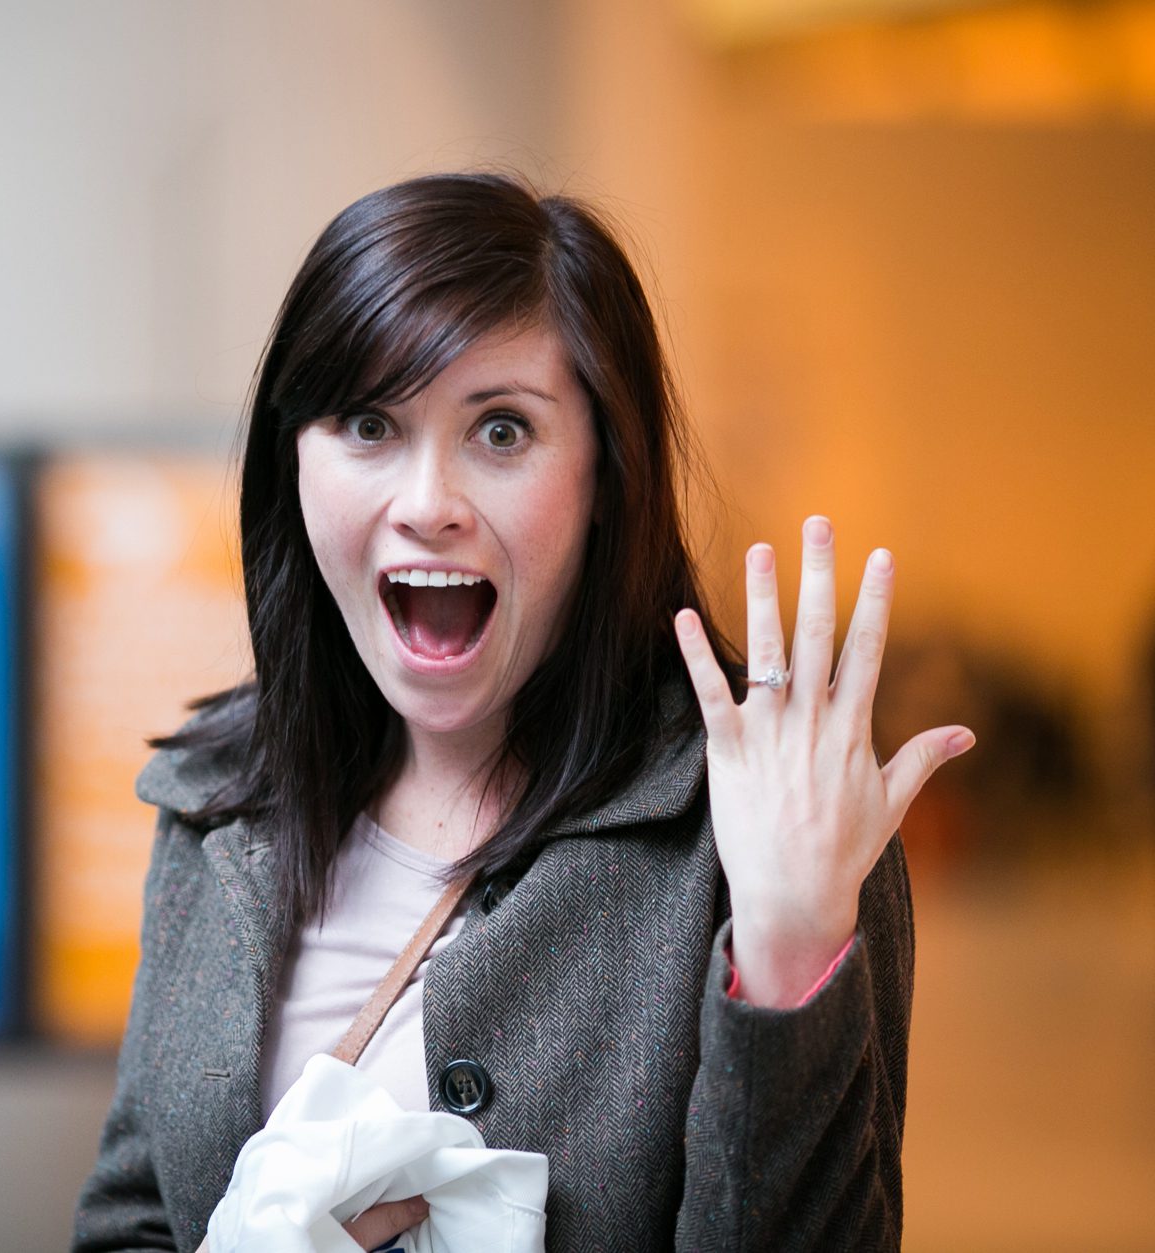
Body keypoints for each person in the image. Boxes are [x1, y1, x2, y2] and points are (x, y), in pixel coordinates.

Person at [71, 172, 974, 1252]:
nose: (427, 504)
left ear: (606, 473)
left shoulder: (762, 822)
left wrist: (785, 958)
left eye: (501, 430)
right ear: (293, 462)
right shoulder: (217, 801)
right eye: (369, 423)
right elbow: (130, 1220)